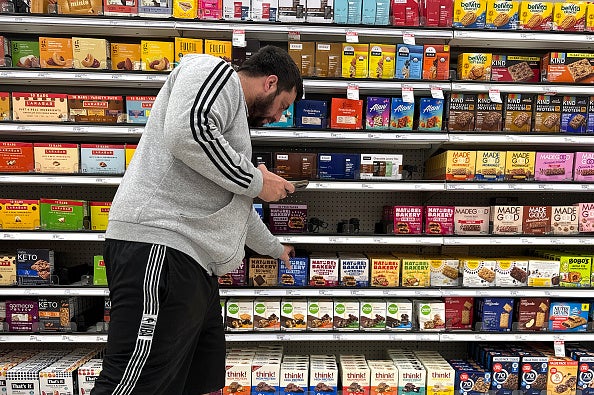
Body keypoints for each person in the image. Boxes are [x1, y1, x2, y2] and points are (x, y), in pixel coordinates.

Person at [91, 45, 303, 395]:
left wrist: (276, 247)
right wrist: (256, 181)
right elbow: (188, 132)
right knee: (134, 382)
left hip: (195, 265)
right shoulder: (212, 71)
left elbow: (236, 209)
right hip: (161, 248)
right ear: (270, 82)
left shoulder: (234, 139)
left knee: (199, 378)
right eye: (283, 106)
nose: (280, 117)